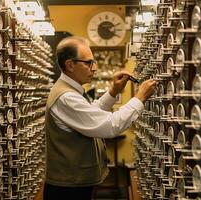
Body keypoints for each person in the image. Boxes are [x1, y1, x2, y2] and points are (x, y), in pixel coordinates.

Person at [44, 36, 157, 200]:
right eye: (88, 63)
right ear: (70, 65)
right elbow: (110, 126)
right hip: (68, 189)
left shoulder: (70, 91)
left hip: (73, 183)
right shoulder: (66, 97)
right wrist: (139, 98)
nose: (94, 68)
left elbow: (89, 114)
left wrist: (113, 92)